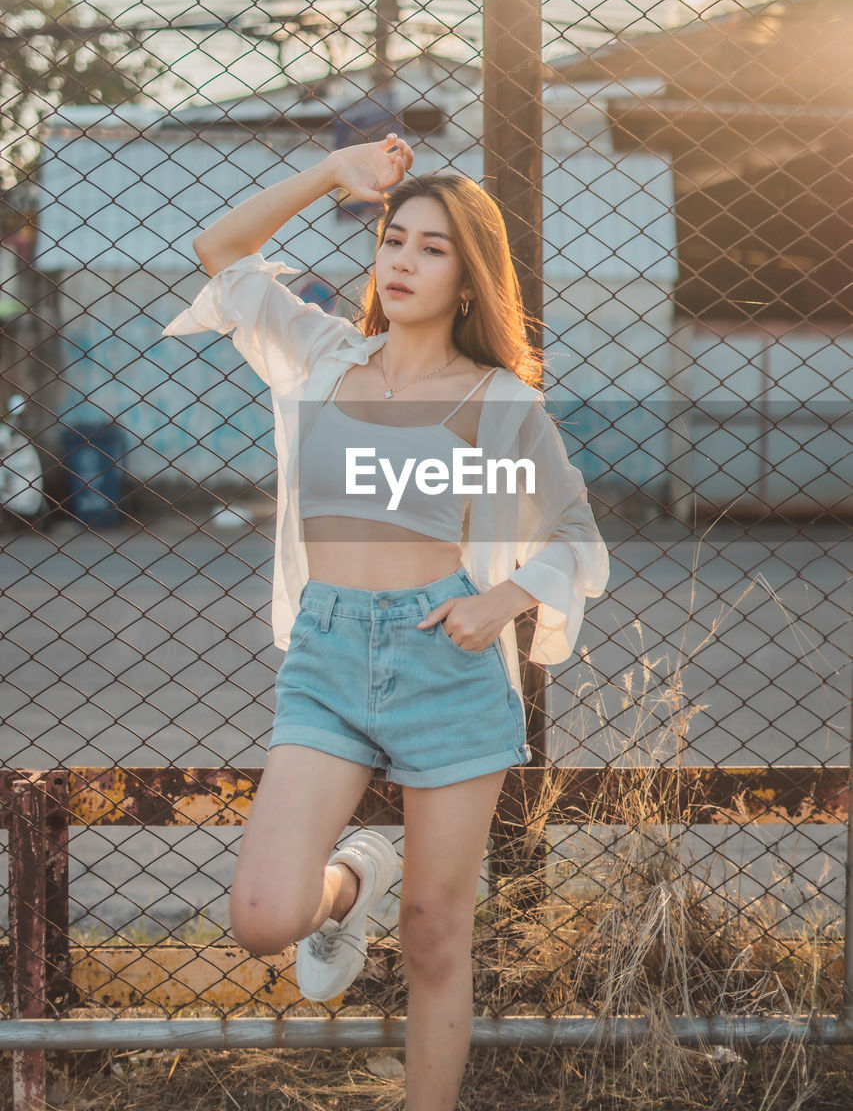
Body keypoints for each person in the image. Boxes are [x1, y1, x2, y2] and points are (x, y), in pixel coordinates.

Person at [161, 133, 609, 1110]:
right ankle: (351, 879)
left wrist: (503, 596)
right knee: (263, 912)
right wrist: (331, 173)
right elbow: (221, 254)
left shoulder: (498, 404)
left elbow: (577, 537)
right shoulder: (323, 358)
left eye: (431, 248)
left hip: (446, 669)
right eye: (392, 239)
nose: (401, 259)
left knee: (438, 931)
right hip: (327, 657)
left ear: (469, 277)